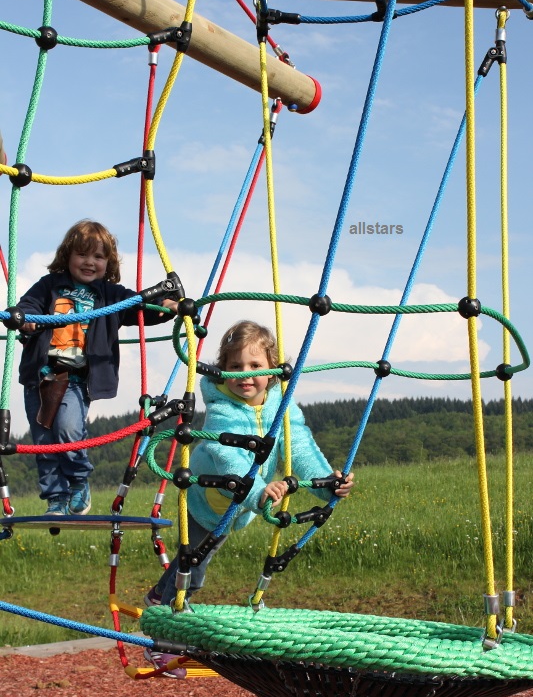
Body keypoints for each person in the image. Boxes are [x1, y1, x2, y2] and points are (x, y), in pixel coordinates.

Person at [145, 319, 354, 611]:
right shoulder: (222, 410)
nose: (245, 374)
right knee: (193, 569)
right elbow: (228, 458)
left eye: (255, 366)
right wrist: (259, 492)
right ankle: (166, 627)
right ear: (223, 369)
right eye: (236, 365)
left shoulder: (281, 404)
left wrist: (327, 484)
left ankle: (158, 596)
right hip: (208, 498)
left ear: (272, 370)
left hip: (237, 503)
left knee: (195, 557)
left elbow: (300, 447)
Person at [16, 219, 179, 517]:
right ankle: (55, 499)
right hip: (40, 376)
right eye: (82, 255)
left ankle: (78, 481)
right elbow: (27, 305)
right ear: (68, 256)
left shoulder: (109, 295)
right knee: (42, 440)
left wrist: (167, 305)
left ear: (109, 262)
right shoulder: (50, 286)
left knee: (67, 429)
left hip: (76, 379)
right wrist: (25, 318)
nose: (90, 262)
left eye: (99, 257)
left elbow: (141, 307)